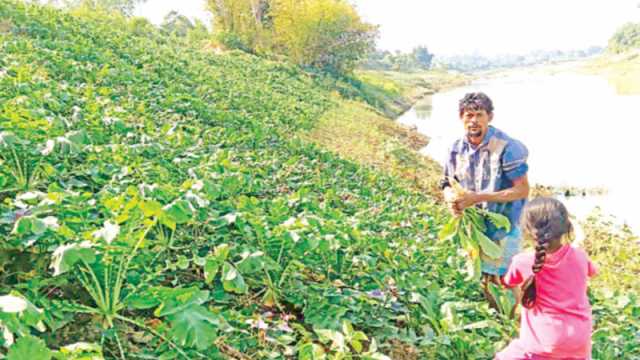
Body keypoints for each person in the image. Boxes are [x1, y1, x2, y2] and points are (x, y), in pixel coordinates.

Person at [441, 92, 530, 300]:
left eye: (479, 115)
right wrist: (450, 198)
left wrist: (478, 198)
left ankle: (518, 321)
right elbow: (446, 181)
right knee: (484, 276)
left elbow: (522, 190)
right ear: (461, 117)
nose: (473, 121)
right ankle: (499, 321)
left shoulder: (507, 147)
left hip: (506, 224)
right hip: (475, 226)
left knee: (506, 279)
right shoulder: (455, 149)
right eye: (468, 115)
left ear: (489, 117)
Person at [496, 197, 597, 359]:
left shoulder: (523, 261)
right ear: (566, 227)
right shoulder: (580, 256)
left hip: (543, 341)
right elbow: (593, 272)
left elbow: (508, 282)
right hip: (579, 342)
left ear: (527, 230)